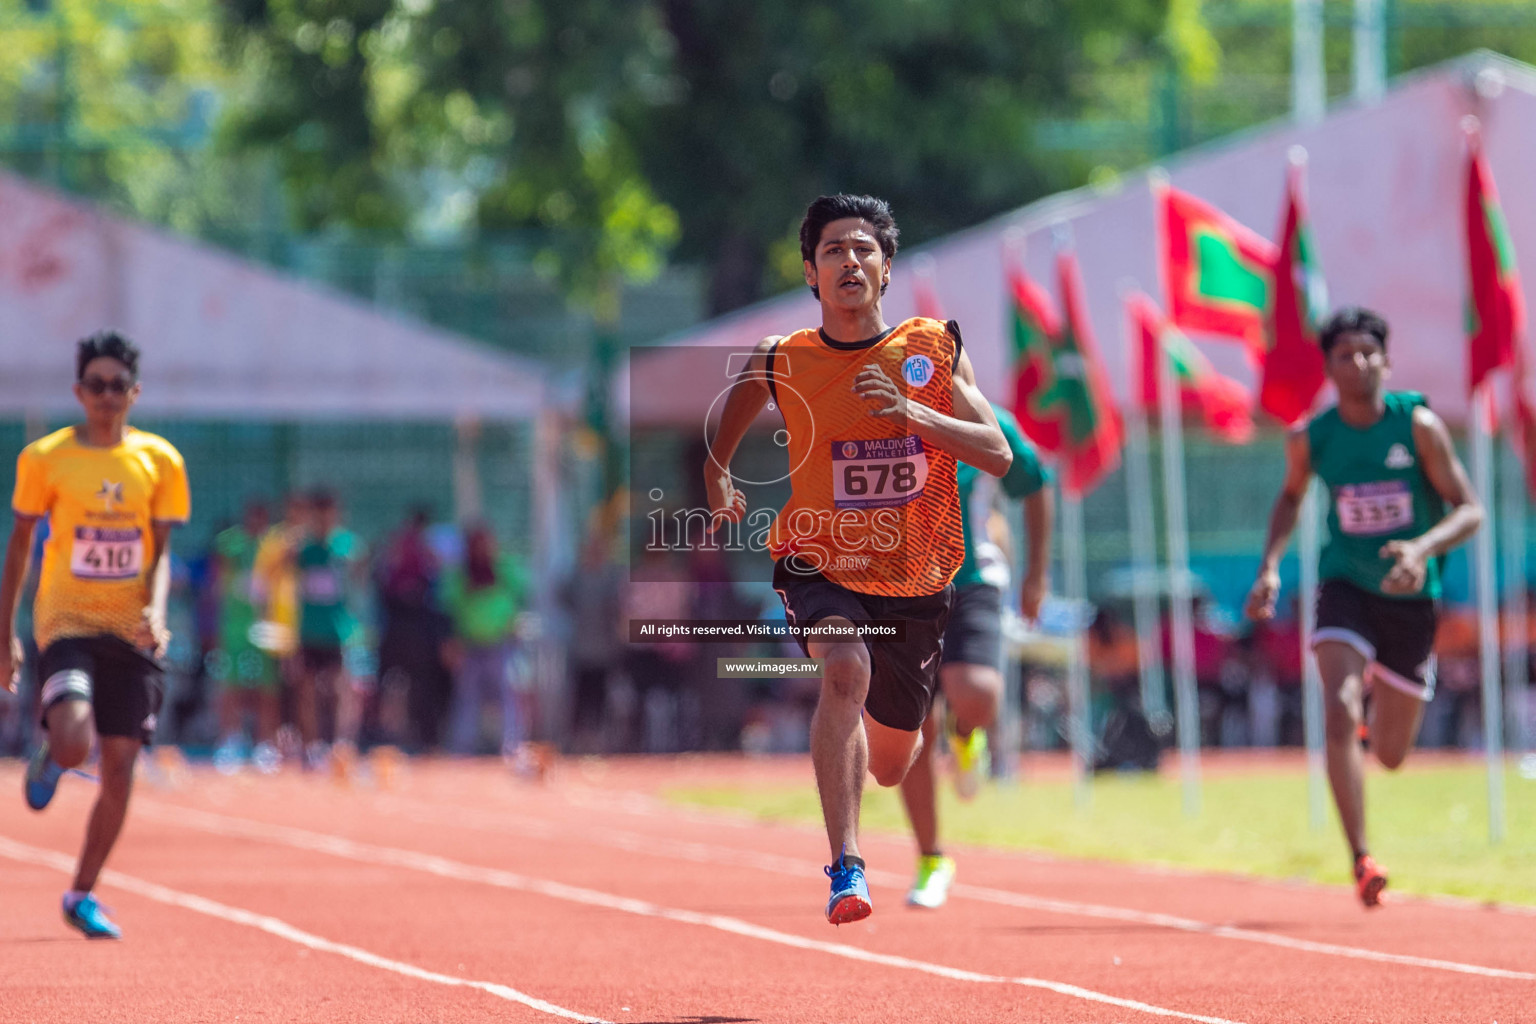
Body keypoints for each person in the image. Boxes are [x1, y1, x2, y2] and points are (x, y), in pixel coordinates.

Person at [704, 194, 1011, 924]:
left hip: (919, 579)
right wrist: (716, 471)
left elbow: (996, 452)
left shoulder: (933, 350)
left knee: (893, 762)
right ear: (811, 272)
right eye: (835, 250)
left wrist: (916, 416)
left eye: (864, 248)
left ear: (887, 266)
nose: (851, 261)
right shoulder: (785, 358)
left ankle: (911, 773)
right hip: (820, 563)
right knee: (844, 669)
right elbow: (731, 412)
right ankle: (847, 868)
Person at [1245, 307, 1482, 908]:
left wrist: (1422, 548)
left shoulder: (1418, 426)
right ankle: (1361, 857)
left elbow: (1469, 508)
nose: (1357, 363)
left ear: (1387, 360)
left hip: (1410, 597)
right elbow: (1290, 497)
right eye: (1344, 354)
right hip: (1343, 586)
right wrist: (1270, 567)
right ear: (1329, 368)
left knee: (1393, 757)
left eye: (1367, 352)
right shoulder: (1313, 437)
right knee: (1338, 707)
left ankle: (1377, 717)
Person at [1, 331, 191, 939]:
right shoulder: (46, 458)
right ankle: (53, 754)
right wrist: (5, 630)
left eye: (118, 386)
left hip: (131, 629)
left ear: (134, 392)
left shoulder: (160, 461)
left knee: (121, 763)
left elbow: (160, 553)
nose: (107, 396)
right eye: (96, 385)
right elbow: (22, 544)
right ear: (78, 392)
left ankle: (81, 893)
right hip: (67, 623)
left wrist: (157, 611)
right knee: (75, 742)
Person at [898, 402, 1051, 908]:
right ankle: (931, 858)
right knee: (913, 731)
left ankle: (967, 735)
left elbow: (1034, 483)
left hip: (971, 582)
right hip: (898, 590)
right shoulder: (878, 411)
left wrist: (1036, 575)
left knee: (976, 692)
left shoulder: (986, 419)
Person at [442, 523, 529, 757]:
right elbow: (451, 610)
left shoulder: (504, 569)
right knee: (466, 700)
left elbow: (520, 597)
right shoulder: (461, 574)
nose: (482, 549)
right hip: (469, 645)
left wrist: (515, 628)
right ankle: (462, 748)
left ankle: (513, 746)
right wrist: (452, 644)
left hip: (501, 643)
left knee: (508, 697)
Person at [294, 489, 366, 769]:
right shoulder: (303, 549)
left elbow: (360, 578)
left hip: (339, 630)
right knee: (307, 690)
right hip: (309, 629)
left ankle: (340, 745)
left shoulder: (348, 547)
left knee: (342, 689)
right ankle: (312, 747)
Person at [210, 500, 281, 772]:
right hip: (236, 627)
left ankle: (266, 744)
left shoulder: (274, 546)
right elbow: (220, 576)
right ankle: (230, 740)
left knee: (266, 689)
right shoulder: (231, 544)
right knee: (231, 686)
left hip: (267, 627)